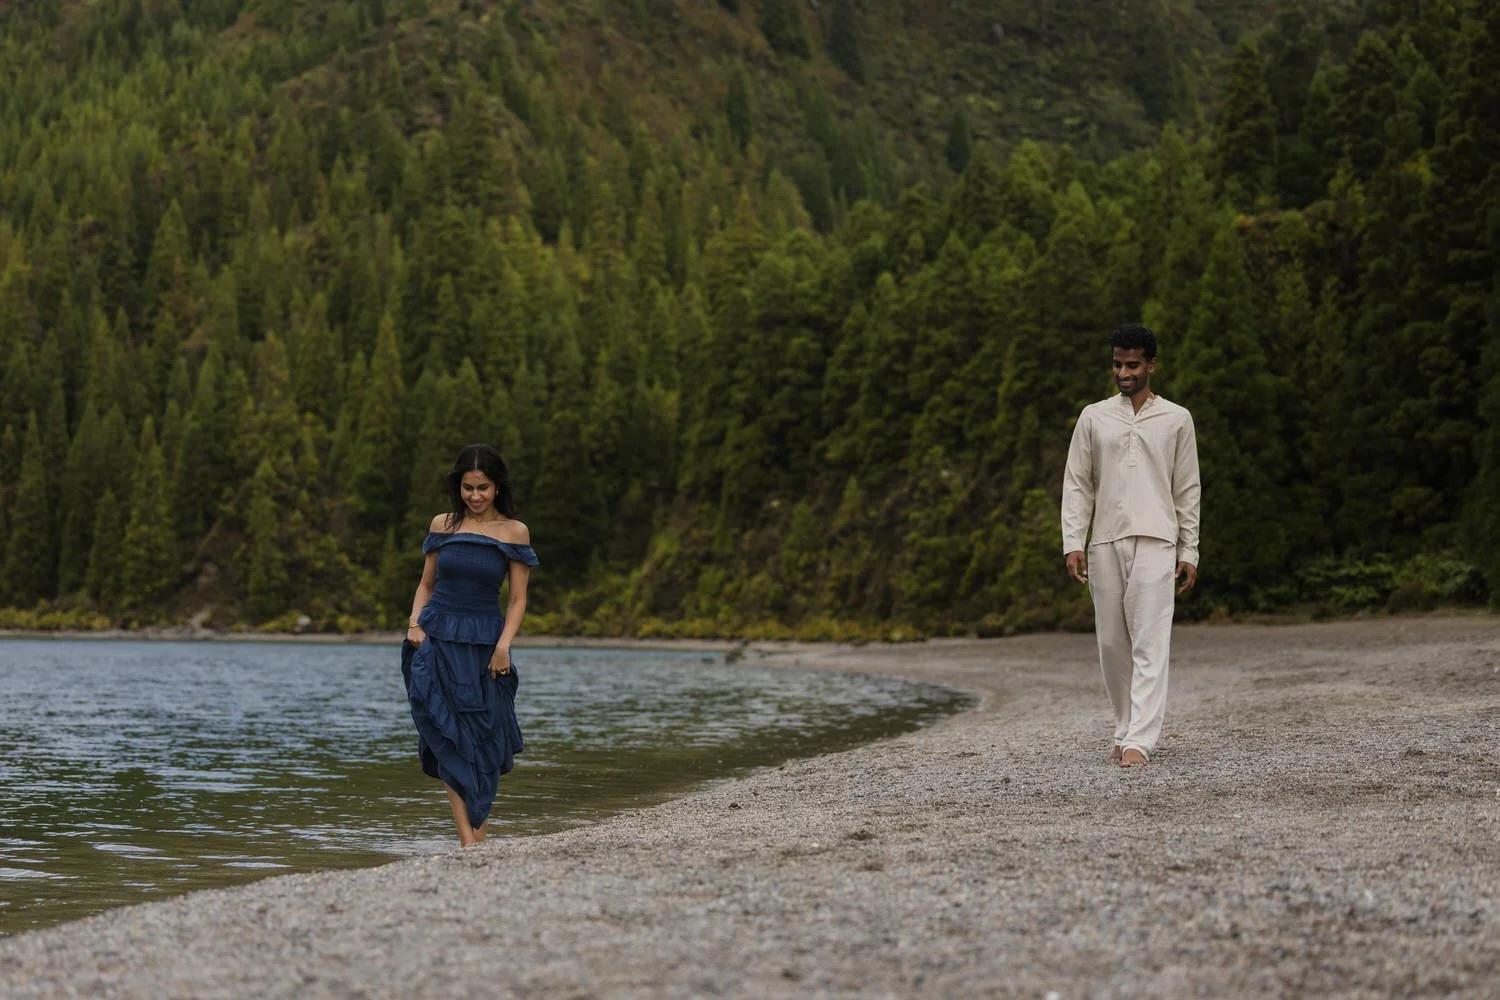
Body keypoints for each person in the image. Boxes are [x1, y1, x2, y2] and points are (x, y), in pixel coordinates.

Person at [1061, 324, 1200, 769]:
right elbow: (1078, 484)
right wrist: (1073, 541)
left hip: (1159, 538)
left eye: (1133, 364)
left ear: (1151, 365)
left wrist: (1188, 550)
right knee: (1112, 645)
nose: (1124, 372)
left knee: (1150, 641)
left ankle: (1140, 739)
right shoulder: (1093, 417)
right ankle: (1123, 730)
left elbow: (1187, 490)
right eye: (1118, 364)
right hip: (1104, 539)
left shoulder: (1177, 419)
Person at [402, 444, 538, 846]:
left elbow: (517, 599)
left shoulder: (515, 531)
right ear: (457, 487)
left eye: (483, 488)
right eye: (467, 488)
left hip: (485, 644)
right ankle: (467, 840)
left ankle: (480, 830)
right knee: (448, 736)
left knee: (486, 734)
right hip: (436, 638)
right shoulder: (442, 524)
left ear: (497, 488)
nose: (475, 496)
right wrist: (414, 624)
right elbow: (426, 584)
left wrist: (504, 646)